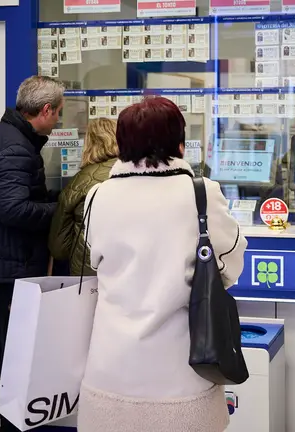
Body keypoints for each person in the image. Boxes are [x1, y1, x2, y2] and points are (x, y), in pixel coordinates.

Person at [77, 97, 247, 432]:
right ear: (179, 143)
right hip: (183, 365)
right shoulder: (201, 193)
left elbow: (95, 256)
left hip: (112, 365)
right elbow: (230, 259)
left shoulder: (98, 195)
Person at [0, 75, 64, 432]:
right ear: (46, 110)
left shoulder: (5, 136)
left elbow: (17, 200)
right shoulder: (15, 146)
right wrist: (62, 212)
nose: (59, 121)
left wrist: (52, 200)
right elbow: (14, 210)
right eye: (59, 113)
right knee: (14, 362)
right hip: (4, 270)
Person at [48, 118, 118, 276]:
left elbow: (59, 249)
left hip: (88, 277)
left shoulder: (78, 183)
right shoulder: (137, 175)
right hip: (129, 275)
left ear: (88, 144)